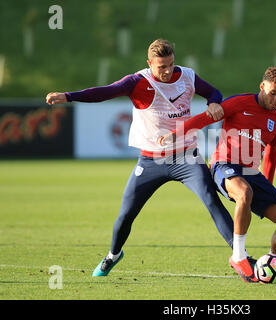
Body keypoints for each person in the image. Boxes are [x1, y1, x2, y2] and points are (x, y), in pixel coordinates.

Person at [46, 39, 236, 276]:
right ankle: (113, 255)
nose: (167, 71)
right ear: (149, 64)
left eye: (170, 64)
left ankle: (240, 256)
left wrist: (214, 103)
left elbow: (213, 92)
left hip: (187, 157)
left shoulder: (187, 76)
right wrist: (68, 96)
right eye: (161, 67)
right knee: (126, 213)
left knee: (211, 201)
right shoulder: (138, 81)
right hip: (150, 161)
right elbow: (104, 92)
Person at [159, 67, 276, 283]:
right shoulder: (239, 103)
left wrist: (268, 187)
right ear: (262, 86)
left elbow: (271, 155)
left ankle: (273, 263)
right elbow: (204, 119)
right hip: (224, 165)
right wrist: (176, 133)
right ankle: (238, 256)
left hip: (251, 171)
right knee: (244, 193)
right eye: (273, 93)